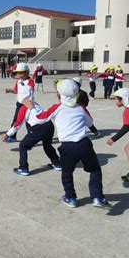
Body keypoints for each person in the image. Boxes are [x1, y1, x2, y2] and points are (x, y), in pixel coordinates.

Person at [32, 79, 110, 209]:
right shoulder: (81, 107)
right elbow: (90, 122)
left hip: (67, 147)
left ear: (58, 94)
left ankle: (71, 198)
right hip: (84, 143)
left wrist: (32, 108)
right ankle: (97, 197)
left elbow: (39, 119)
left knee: (67, 173)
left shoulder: (56, 108)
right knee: (95, 170)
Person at [2, 100, 61, 175]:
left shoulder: (23, 108)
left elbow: (17, 125)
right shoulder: (35, 103)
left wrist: (7, 134)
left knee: (23, 146)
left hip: (39, 129)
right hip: (49, 125)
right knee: (47, 145)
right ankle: (57, 163)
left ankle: (23, 168)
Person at [5, 63, 34, 142]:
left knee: (29, 123)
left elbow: (30, 87)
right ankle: (12, 136)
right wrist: (10, 91)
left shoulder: (30, 81)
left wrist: (23, 83)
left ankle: (32, 139)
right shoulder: (18, 81)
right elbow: (16, 91)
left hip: (28, 105)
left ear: (27, 72)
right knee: (15, 120)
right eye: (18, 73)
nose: (19, 75)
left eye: (21, 73)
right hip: (19, 104)